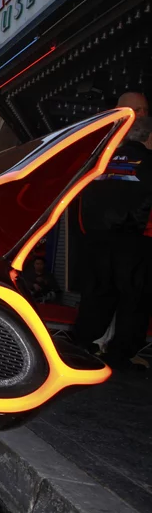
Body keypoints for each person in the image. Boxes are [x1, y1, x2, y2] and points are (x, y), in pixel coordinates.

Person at [73, 116, 152, 370]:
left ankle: (82, 346)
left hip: (96, 239)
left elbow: (81, 199)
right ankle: (121, 356)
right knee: (134, 300)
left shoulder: (102, 162)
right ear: (148, 137)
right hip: (136, 241)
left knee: (95, 296)